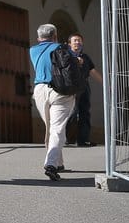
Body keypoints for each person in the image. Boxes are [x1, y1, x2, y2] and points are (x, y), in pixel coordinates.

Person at [29, 23, 75, 181]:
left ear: (38, 37)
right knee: (57, 129)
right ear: (55, 35)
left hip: (40, 90)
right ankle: (51, 164)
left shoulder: (33, 50)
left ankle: (58, 162)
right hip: (60, 91)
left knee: (50, 127)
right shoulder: (61, 48)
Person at [66, 33, 103, 147]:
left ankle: (83, 140)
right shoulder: (65, 56)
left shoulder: (85, 57)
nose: (77, 42)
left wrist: (106, 84)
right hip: (71, 88)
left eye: (79, 41)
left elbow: (92, 71)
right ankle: (66, 139)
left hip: (84, 87)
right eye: (75, 40)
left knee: (85, 113)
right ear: (69, 44)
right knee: (71, 113)